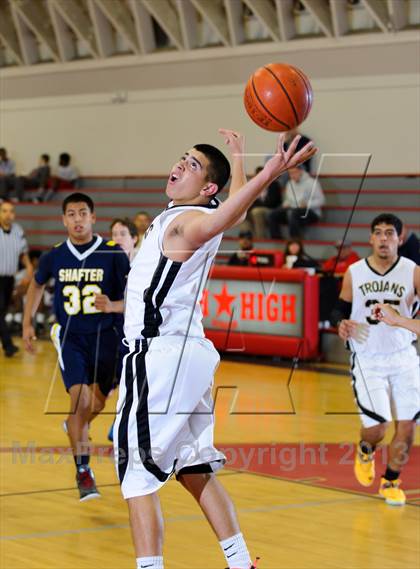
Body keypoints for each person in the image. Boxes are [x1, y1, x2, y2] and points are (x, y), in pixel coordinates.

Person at [114, 128, 316, 569]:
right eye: (181, 158)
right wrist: (240, 159)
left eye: (192, 165)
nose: (179, 165)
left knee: (135, 477)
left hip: (158, 357)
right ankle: (241, 562)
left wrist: (269, 172)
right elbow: (234, 213)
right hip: (189, 356)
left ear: (207, 188)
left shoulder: (187, 221)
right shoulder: (198, 209)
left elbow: (223, 217)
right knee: (193, 468)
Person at [22, 193, 130, 501]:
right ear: (63, 220)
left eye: (83, 213)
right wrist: (28, 322)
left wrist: (113, 305)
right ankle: (83, 471)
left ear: (94, 218)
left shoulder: (113, 254)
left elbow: (135, 296)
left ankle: (73, 426)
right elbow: (37, 284)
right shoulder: (54, 256)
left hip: (108, 338)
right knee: (81, 403)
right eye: (71, 214)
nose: (78, 219)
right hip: (71, 338)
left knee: (93, 407)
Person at [331, 213, 419, 506]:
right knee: (378, 427)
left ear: (400, 239)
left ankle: (391, 480)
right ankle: (366, 449)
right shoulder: (354, 272)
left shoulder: (413, 271)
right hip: (367, 357)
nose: (384, 238)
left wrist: (402, 321)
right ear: (370, 238)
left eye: (389, 233)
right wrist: (341, 324)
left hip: (404, 356)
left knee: (407, 427)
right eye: (378, 233)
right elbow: (339, 309)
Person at [0, 201, 33, 357]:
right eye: (4, 211)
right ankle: (8, 345)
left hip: (9, 279)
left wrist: (29, 268)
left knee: (3, 310)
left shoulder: (18, 230)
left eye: (11, 211)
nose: (8, 214)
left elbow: (22, 253)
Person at [268, 166, 324, 239]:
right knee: (273, 214)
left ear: (301, 171)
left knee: (292, 214)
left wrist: (307, 204)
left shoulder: (312, 182)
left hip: (310, 212)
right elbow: (288, 200)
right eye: (290, 173)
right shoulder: (289, 183)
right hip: (293, 210)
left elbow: (321, 200)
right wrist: (286, 204)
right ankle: (276, 239)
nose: (292, 175)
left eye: (294, 172)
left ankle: (295, 242)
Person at [246, 166, 282, 238]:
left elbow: (272, 202)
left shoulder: (274, 185)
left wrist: (257, 204)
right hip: (258, 208)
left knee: (256, 212)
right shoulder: (254, 186)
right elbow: (250, 201)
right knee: (243, 214)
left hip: (271, 209)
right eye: (258, 175)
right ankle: (248, 238)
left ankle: (261, 237)